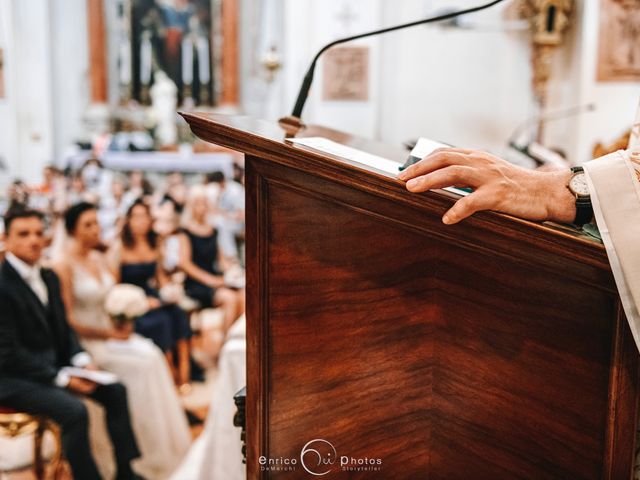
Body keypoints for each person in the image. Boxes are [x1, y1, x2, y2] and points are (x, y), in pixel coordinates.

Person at [0, 207, 140, 480]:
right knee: (75, 411)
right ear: (6, 239)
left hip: (52, 366)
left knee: (115, 390)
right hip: (11, 377)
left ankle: (126, 471)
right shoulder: (2, 284)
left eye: (39, 233)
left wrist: (80, 360)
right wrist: (62, 378)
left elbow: (63, 330)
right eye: (24, 234)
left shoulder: (49, 276)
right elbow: (8, 354)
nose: (33, 240)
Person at [55, 202, 191, 479]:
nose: (95, 230)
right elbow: (67, 321)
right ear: (72, 230)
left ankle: (156, 443)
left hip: (111, 334)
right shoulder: (62, 266)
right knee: (141, 366)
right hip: (87, 344)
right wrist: (109, 333)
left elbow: (110, 296)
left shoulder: (97, 258)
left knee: (152, 353)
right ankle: (135, 455)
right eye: (88, 225)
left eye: (96, 223)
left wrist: (124, 316)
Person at [109, 200, 192, 390]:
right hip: (130, 300)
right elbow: (115, 285)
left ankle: (185, 372)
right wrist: (142, 301)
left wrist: (168, 290)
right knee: (160, 321)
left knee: (178, 314)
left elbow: (160, 275)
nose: (141, 221)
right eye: (136, 216)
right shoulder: (119, 247)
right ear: (129, 220)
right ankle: (169, 374)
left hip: (153, 295)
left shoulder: (154, 243)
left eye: (144, 216)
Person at [179, 185, 245, 333]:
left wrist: (233, 271)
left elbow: (222, 260)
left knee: (244, 295)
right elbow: (185, 264)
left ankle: (236, 339)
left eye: (204, 202)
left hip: (215, 279)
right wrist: (211, 280)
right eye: (198, 202)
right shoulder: (185, 231)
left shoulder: (213, 230)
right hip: (197, 283)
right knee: (229, 298)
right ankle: (225, 344)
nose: (202, 206)